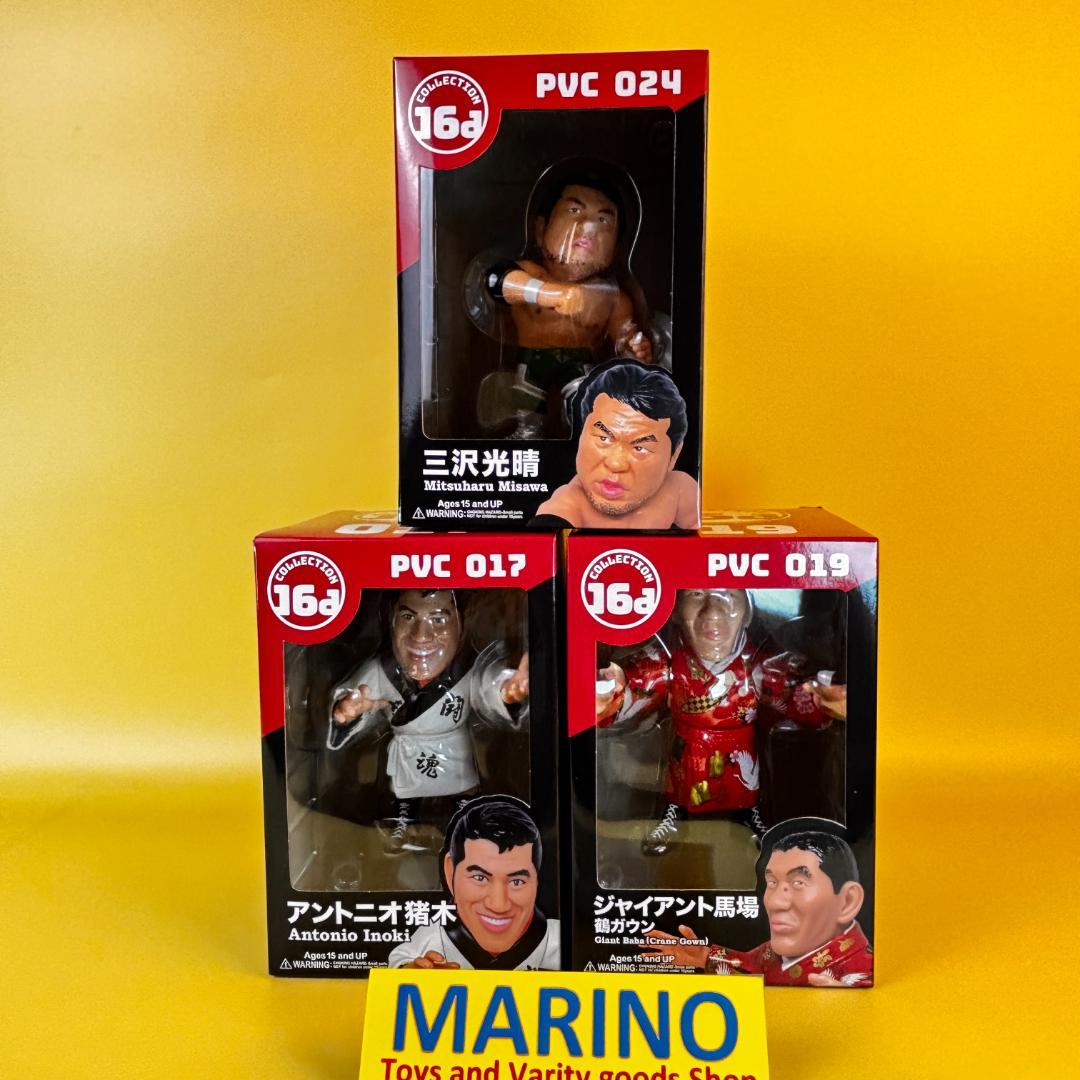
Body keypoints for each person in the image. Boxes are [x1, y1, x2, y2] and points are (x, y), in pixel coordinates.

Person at [596, 589, 832, 854]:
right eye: (696, 595)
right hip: (690, 747)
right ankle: (674, 813)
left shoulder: (759, 666)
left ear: (747, 614)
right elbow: (635, 685)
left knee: (743, 784)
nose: (713, 613)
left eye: (730, 596)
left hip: (740, 745)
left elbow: (794, 693)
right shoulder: (669, 664)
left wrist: (821, 696)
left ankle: (750, 813)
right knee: (682, 786)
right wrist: (610, 690)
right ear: (675, 611)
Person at [328, 590, 529, 853]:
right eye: (408, 617)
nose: (421, 635)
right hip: (408, 752)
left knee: (462, 792)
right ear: (391, 618)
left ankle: (462, 821)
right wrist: (345, 712)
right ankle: (402, 821)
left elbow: (487, 686)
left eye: (438, 619)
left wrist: (508, 691)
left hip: (453, 750)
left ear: (463, 621)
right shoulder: (383, 670)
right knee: (403, 791)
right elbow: (357, 697)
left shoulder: (467, 668)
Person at [481, 168, 653, 438]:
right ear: (541, 229)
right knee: (525, 403)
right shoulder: (531, 273)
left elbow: (625, 334)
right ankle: (526, 435)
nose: (587, 228)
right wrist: (548, 294)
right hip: (532, 359)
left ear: (616, 248)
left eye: (603, 220)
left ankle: (583, 435)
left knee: (586, 401)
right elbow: (497, 281)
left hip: (579, 362)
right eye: (574, 211)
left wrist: (635, 346)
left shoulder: (610, 297)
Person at [641, 821, 872, 987]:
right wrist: (704, 957)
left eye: (798, 882)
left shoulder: (862, 973)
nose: (775, 902)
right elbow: (750, 966)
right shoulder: (773, 954)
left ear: (847, 901)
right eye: (772, 883)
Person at [387, 796, 560, 970]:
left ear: (537, 879)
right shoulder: (434, 936)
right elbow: (397, 963)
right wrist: (412, 974)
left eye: (516, 881)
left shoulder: (560, 941)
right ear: (450, 872)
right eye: (480, 878)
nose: (498, 905)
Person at [529, 361, 699, 529]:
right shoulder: (568, 504)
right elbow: (550, 526)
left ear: (673, 456)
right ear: (582, 434)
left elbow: (707, 531)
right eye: (604, 438)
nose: (615, 464)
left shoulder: (677, 489)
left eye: (640, 448)